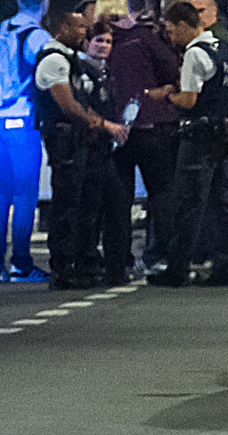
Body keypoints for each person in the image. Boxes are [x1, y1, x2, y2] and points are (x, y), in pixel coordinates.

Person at [33, 10, 129, 289]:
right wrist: (105, 125)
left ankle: (85, 262)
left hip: (80, 144)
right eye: (79, 27)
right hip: (65, 143)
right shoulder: (53, 60)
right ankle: (63, 269)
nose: (84, 33)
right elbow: (69, 106)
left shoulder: (71, 61)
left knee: (86, 204)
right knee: (66, 207)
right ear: (62, 28)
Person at [146, 2, 228, 287]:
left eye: (173, 30)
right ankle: (226, 265)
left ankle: (177, 268)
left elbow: (189, 100)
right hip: (221, 133)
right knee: (221, 202)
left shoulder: (195, 53)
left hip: (198, 136)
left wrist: (167, 96)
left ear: (185, 25)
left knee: (188, 203)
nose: (172, 37)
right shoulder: (224, 50)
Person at [103, 0, 182, 276]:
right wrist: (163, 91)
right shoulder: (145, 36)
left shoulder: (102, 40)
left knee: (118, 198)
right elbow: (171, 66)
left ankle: (119, 260)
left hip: (117, 127)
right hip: (151, 123)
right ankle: (159, 255)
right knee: (161, 192)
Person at [0, 0, 52, 283]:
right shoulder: (36, 36)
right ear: (45, 1)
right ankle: (21, 262)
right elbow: (48, 77)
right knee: (25, 194)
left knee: (2, 192)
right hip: (21, 121)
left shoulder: (0, 29)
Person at [77, 20, 133, 286]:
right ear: (87, 42)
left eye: (109, 42)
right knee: (91, 210)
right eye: (98, 40)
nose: (104, 47)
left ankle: (114, 266)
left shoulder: (107, 72)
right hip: (87, 148)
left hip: (105, 149)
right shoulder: (80, 70)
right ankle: (88, 266)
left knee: (116, 207)